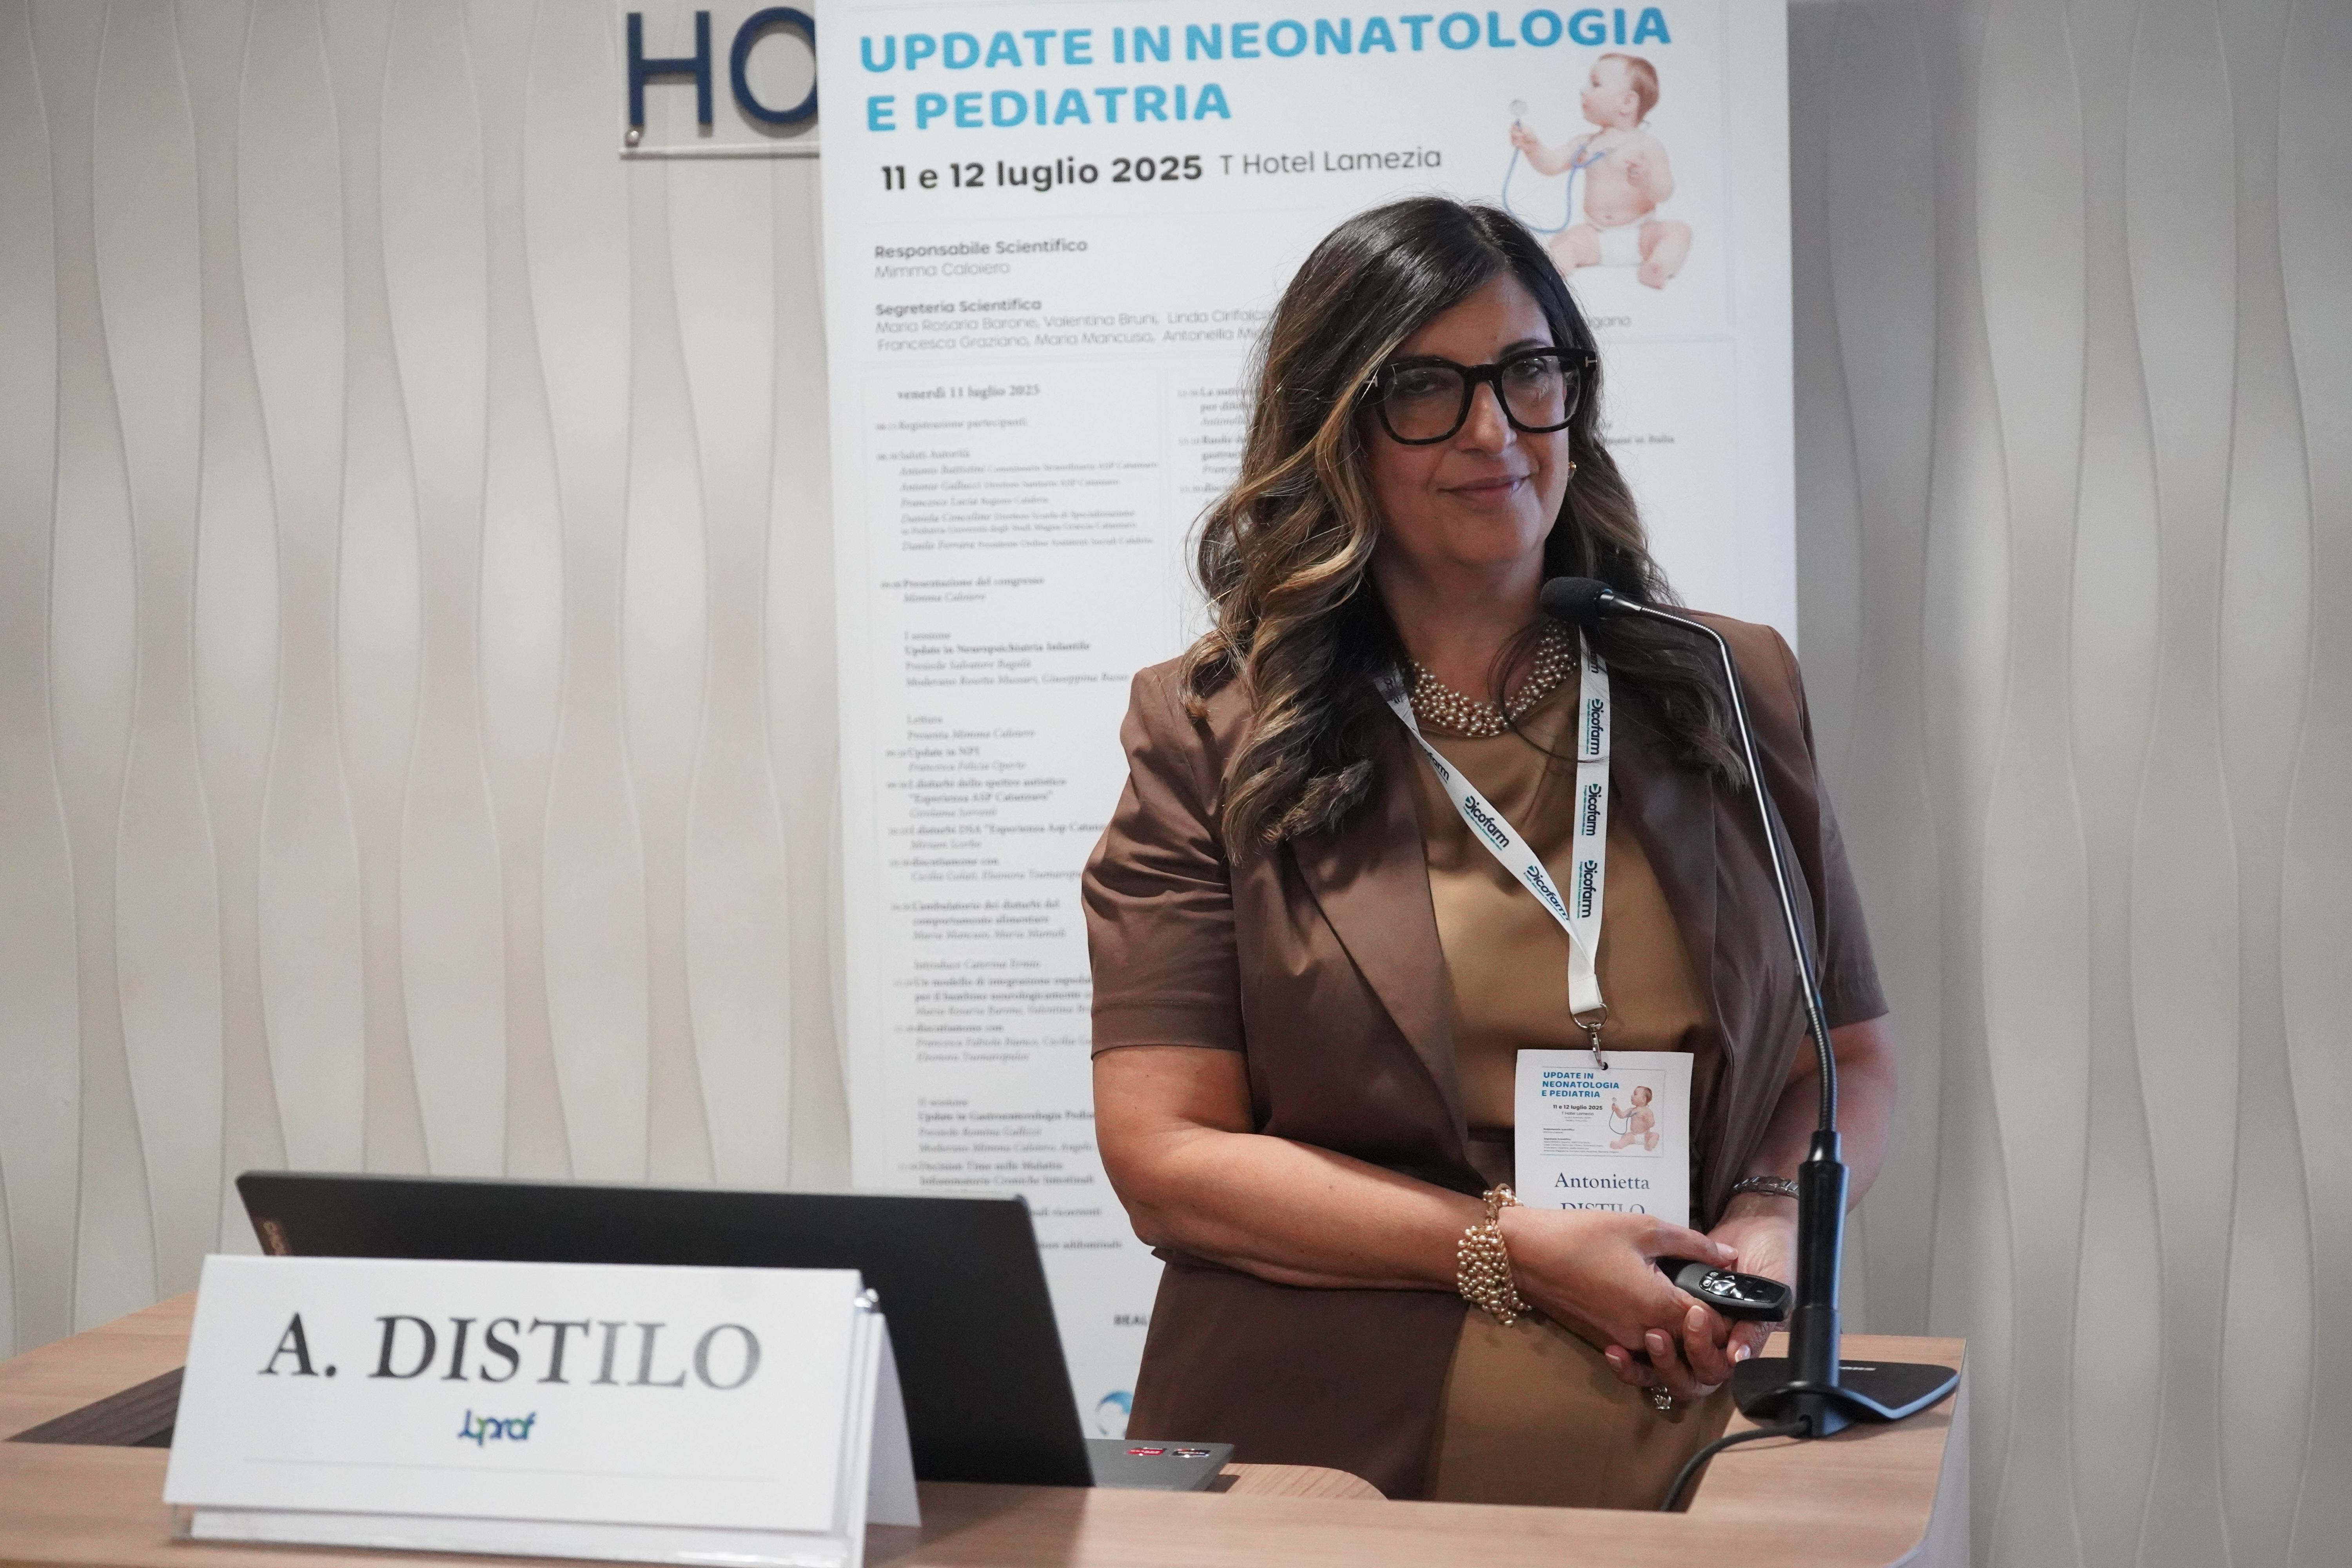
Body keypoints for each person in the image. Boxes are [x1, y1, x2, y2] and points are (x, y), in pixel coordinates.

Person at [1083, 197, 1893, 1508]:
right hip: (1326, 1458)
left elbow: (1843, 1055)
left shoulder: (1725, 682)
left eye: (1529, 373)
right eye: (1423, 388)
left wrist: (1772, 1217)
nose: (1492, 430)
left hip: (1700, 1439)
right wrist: (1506, 1248)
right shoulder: (1211, 731)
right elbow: (1165, 1158)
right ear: (1335, 431)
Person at [1508, 53, 1692, 288]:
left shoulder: (1647, 146)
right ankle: (1554, 273)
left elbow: (1664, 192)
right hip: (1596, 236)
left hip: (1642, 234)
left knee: (1679, 232)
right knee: (1565, 242)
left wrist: (1647, 177)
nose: (1584, 90)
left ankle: (1659, 266)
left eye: (1595, 84)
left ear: (1628, 102)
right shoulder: (1585, 144)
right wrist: (1533, 147)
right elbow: (1551, 165)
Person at [1610, 1084, 1660, 1152]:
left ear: (1643, 1099)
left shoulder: (1648, 1111)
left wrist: (1647, 1120)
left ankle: (1650, 1144)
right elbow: (1622, 1116)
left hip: (1645, 1136)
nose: (1632, 1096)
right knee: (1627, 1136)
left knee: (1655, 1135)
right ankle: (1619, 1145)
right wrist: (1617, 1110)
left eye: (1635, 1094)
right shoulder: (1632, 1110)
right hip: (1633, 1136)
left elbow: (1652, 1124)